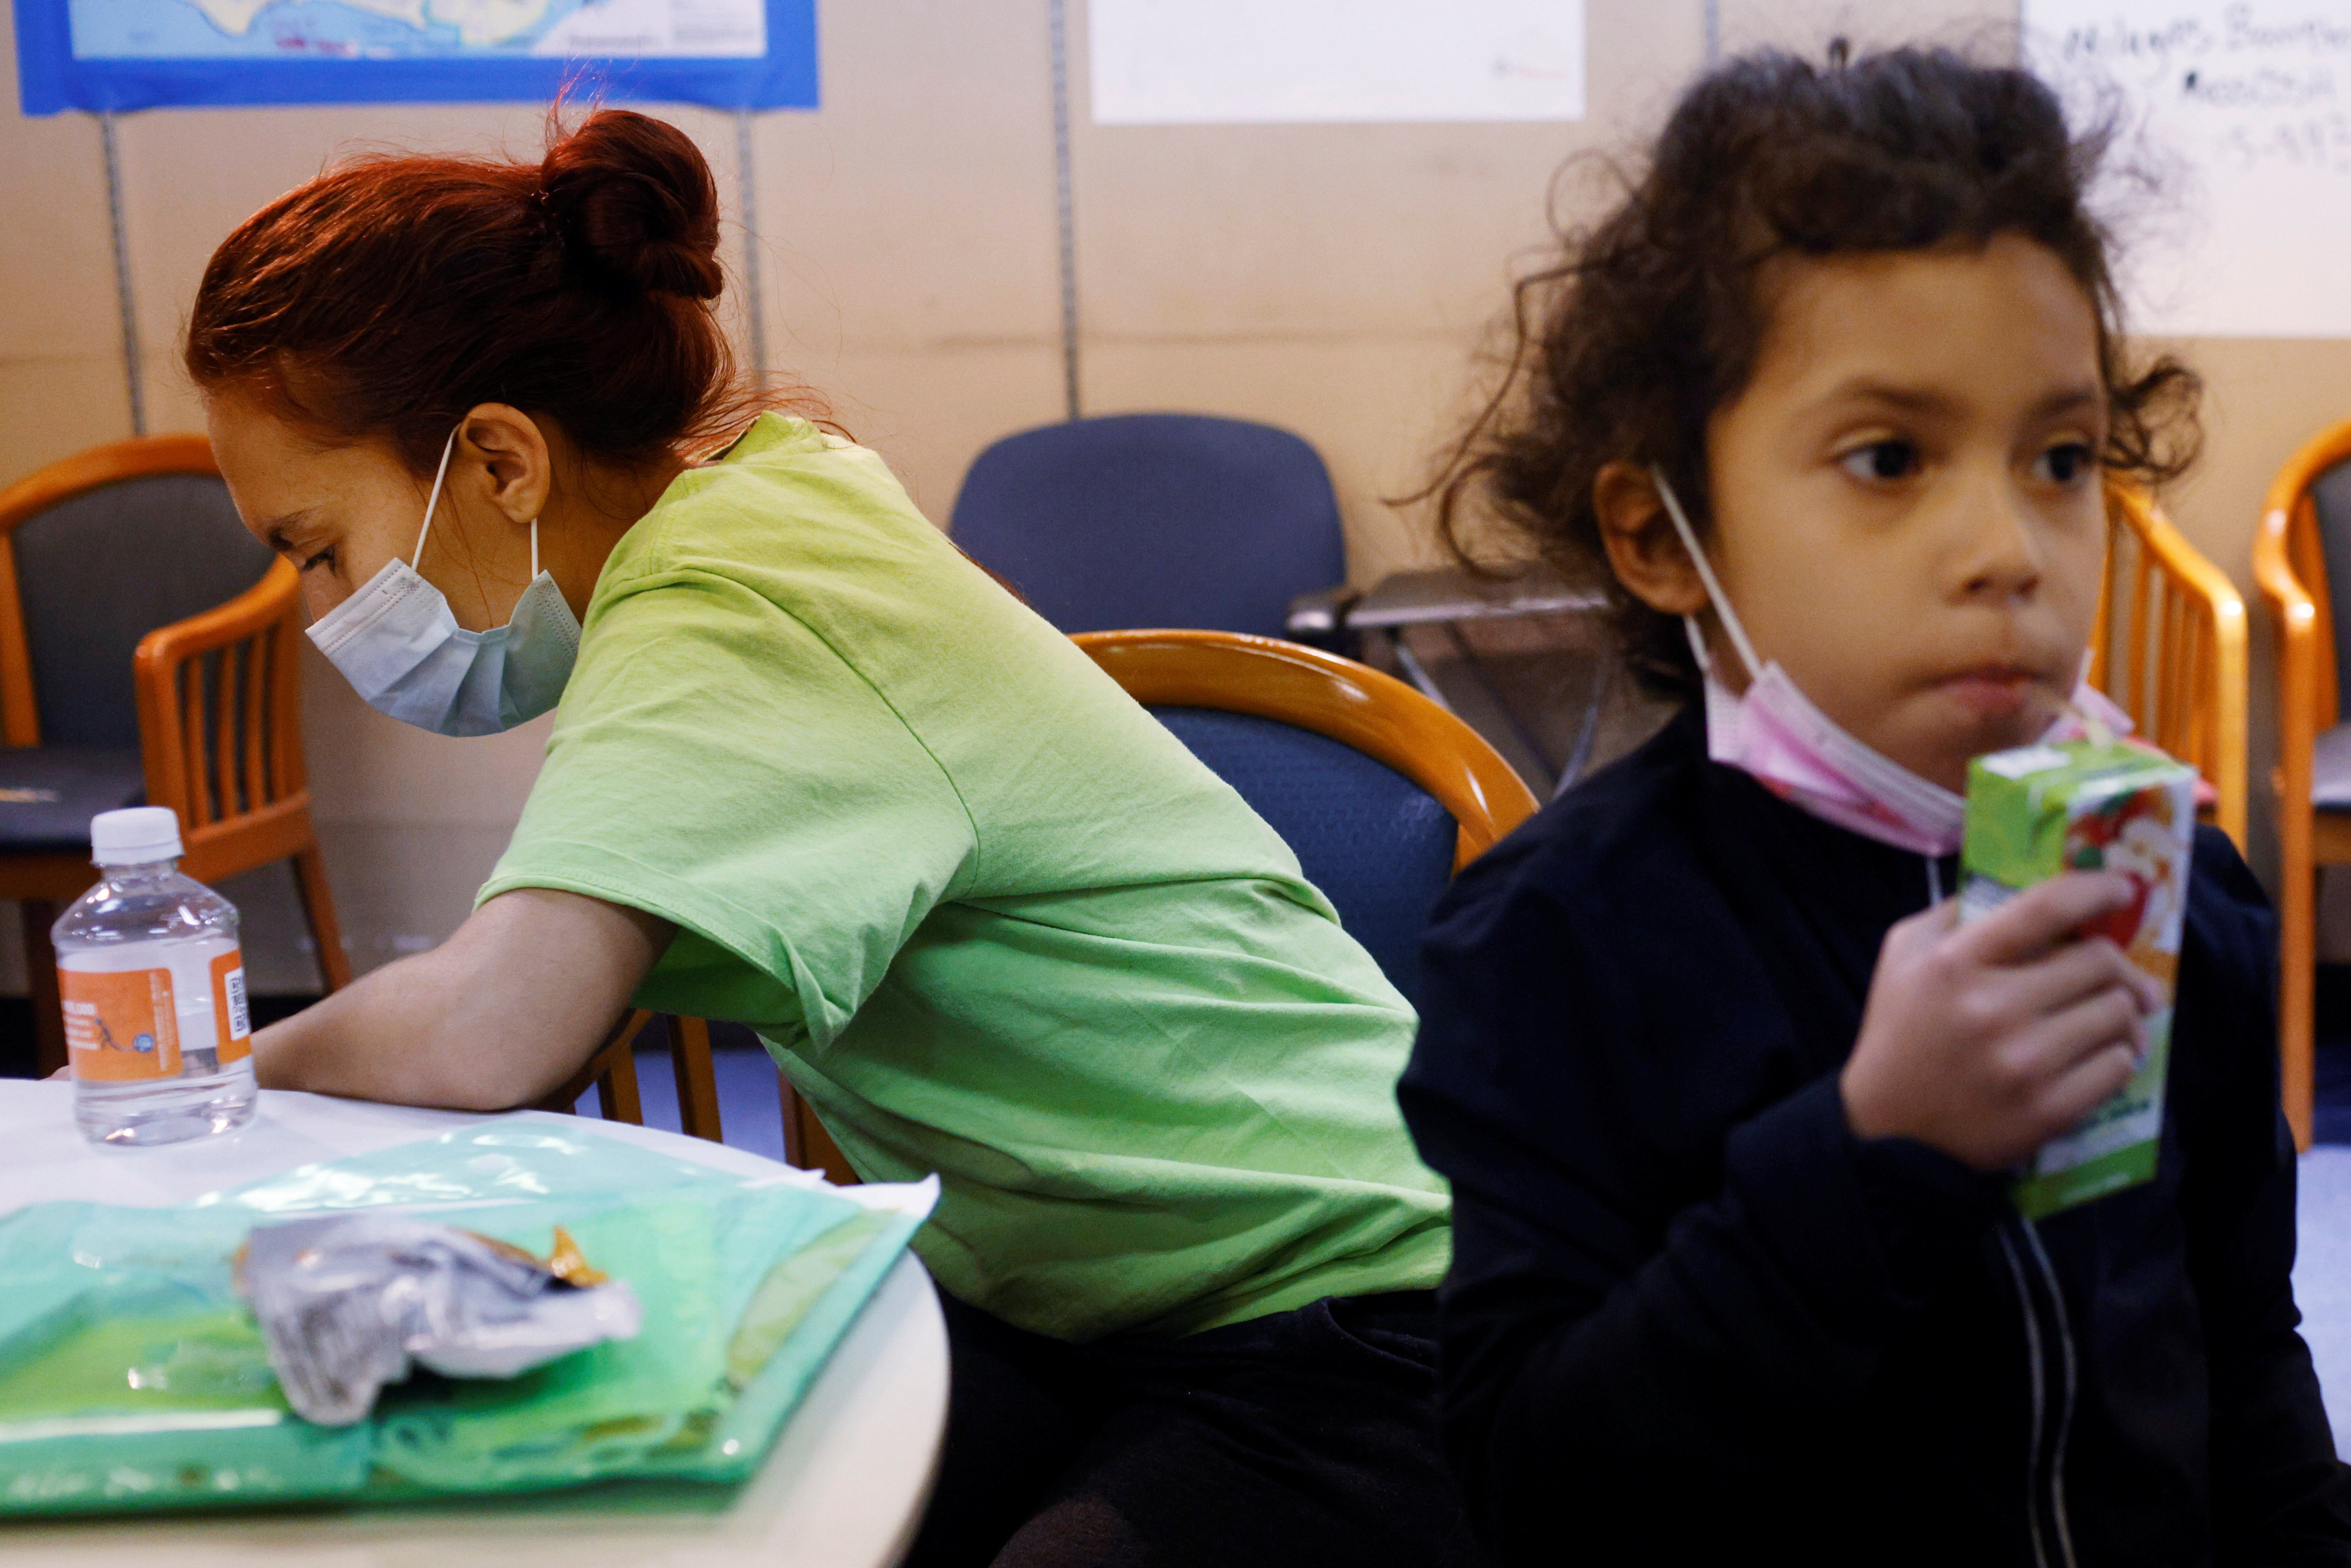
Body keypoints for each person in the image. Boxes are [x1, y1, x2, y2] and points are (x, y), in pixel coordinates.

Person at [185, 108, 1474, 1567]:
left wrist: (216, 1084)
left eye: (317, 548)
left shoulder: (733, 600)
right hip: (1075, 1296)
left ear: (497, 461)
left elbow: (497, 1027)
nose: (317, 604)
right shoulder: (761, 503)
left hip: (1361, 1313)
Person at [1395, 44, 2351, 1566]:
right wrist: (1871, 1149)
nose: (2009, 549)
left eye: (2057, 458)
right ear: (1659, 534)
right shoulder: (1554, 943)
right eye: (1888, 457)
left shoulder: (2182, 886)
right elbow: (1540, 1488)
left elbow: (2243, 1344)